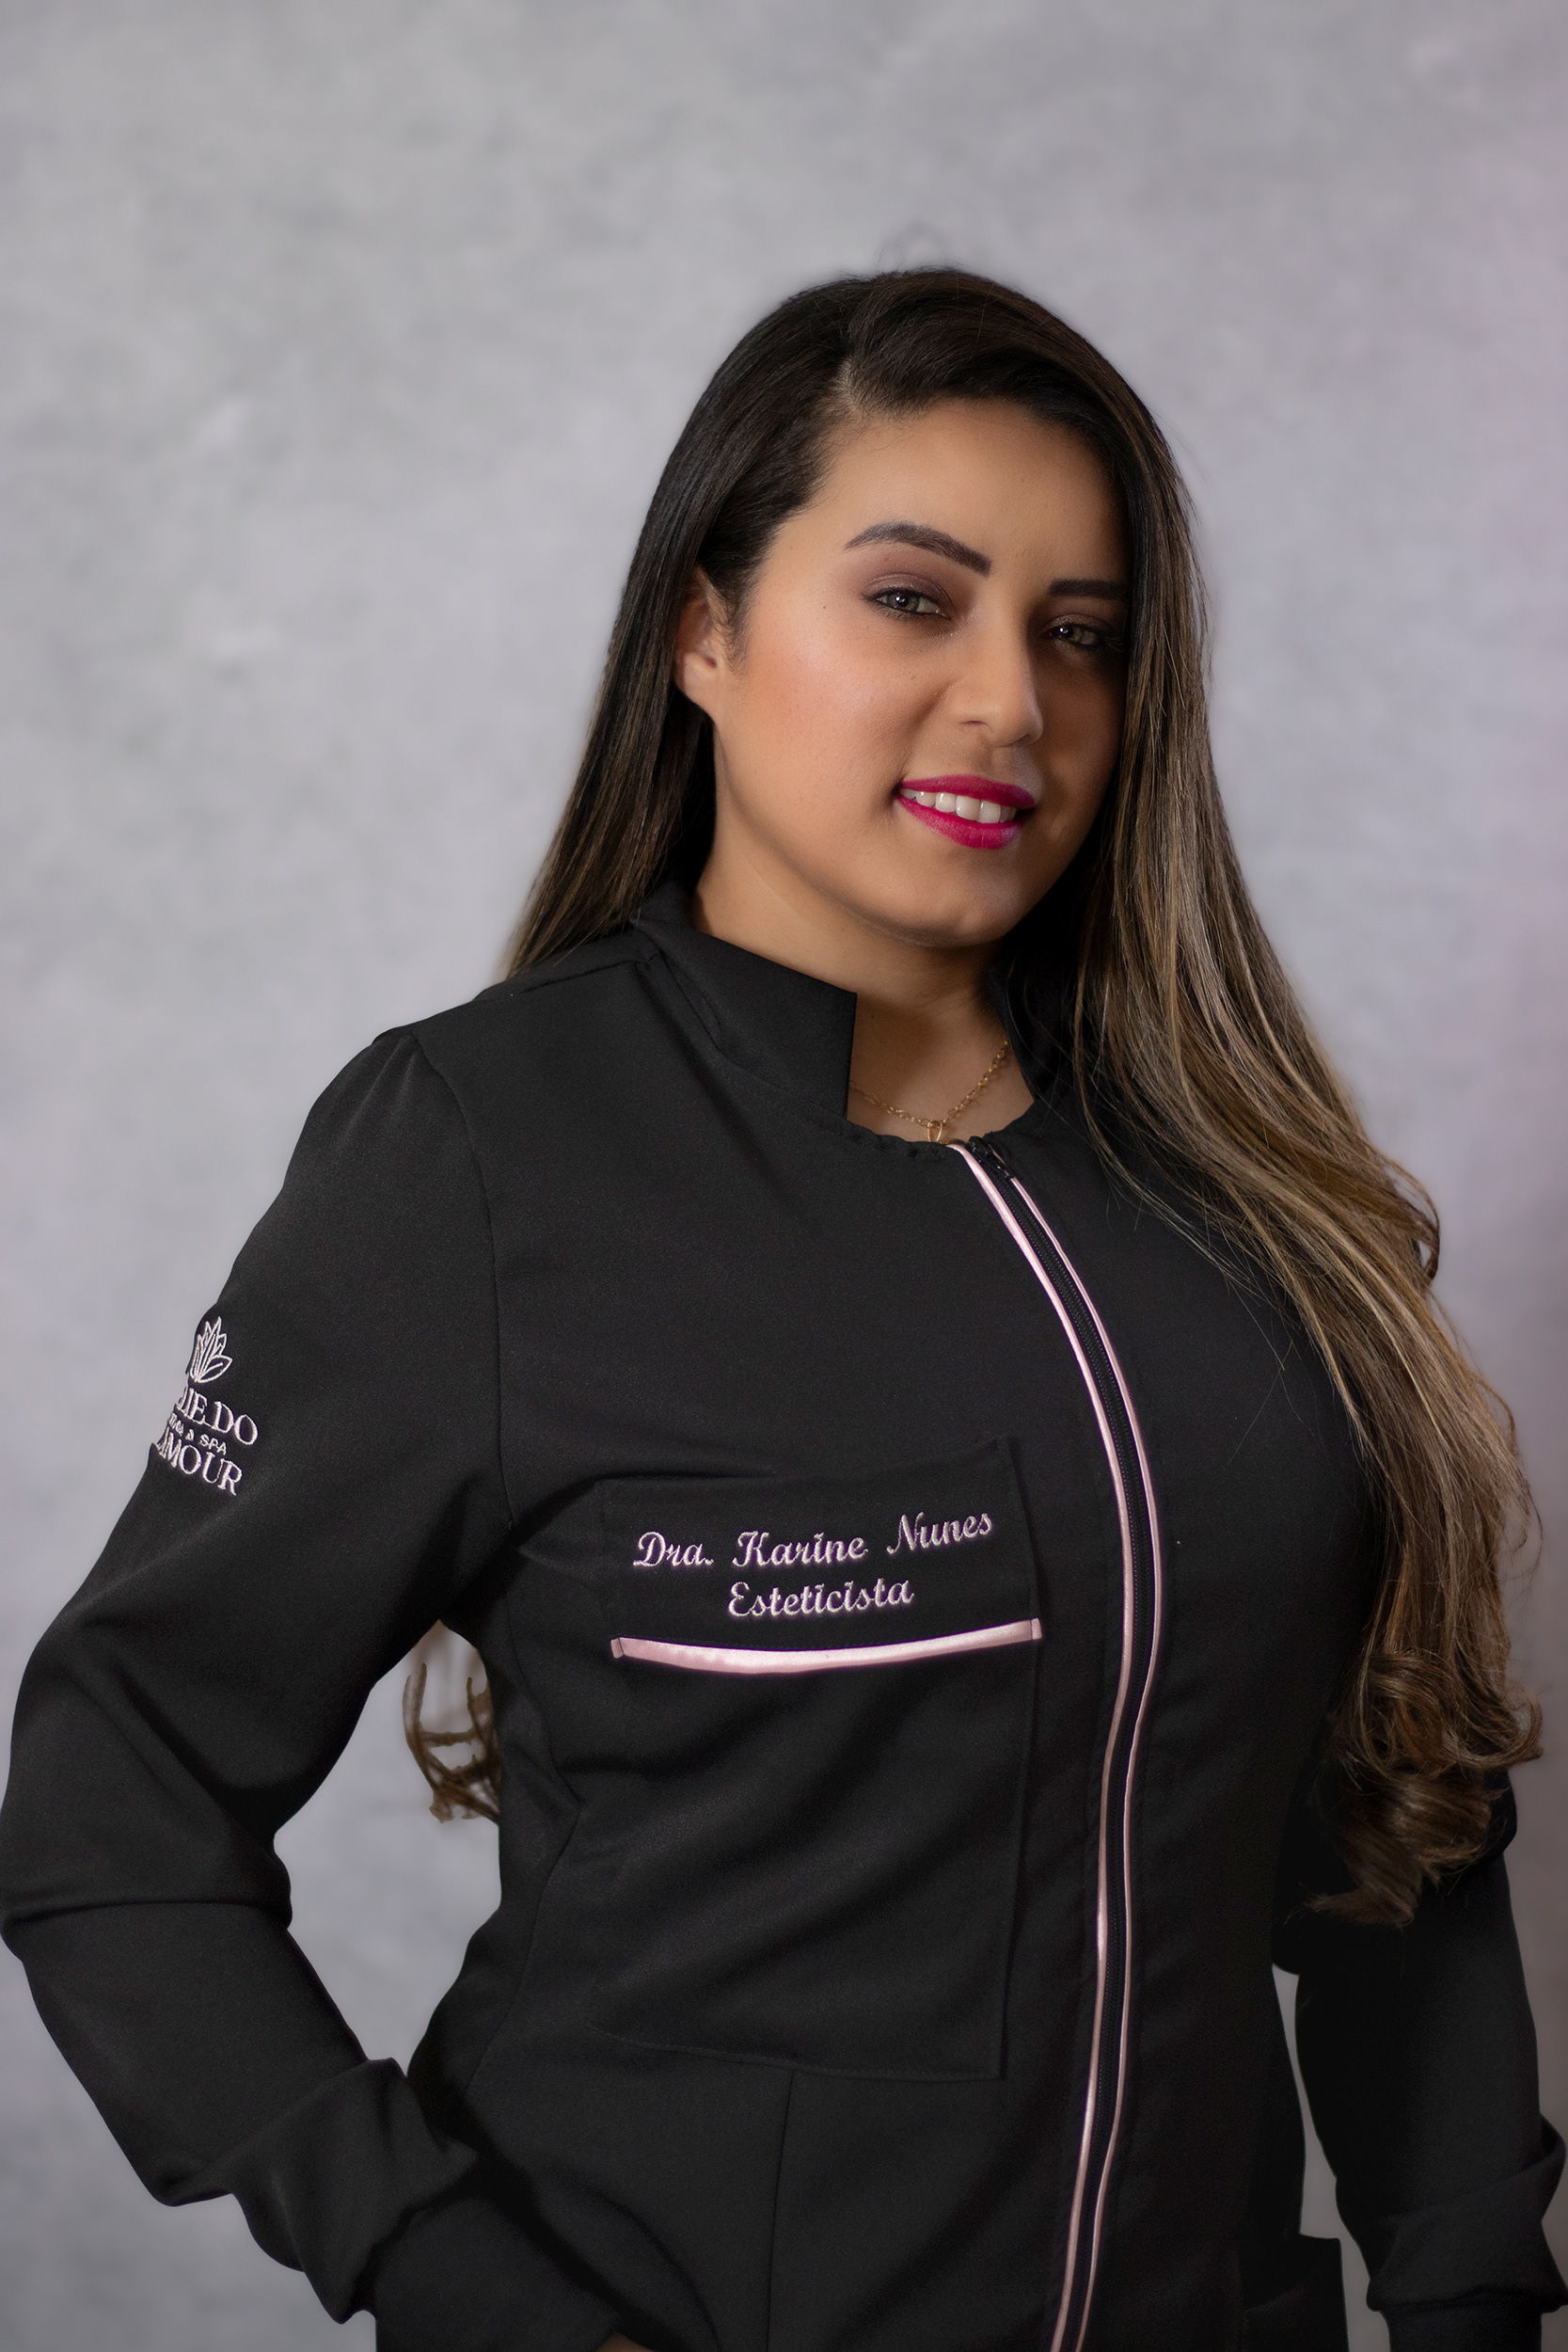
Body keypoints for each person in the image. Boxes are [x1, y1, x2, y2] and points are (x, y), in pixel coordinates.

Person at [0, 270, 1560, 2352]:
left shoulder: (1243, 1185)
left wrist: (1473, 2291)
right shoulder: (481, 1156)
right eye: (914, 600)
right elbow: (107, 1810)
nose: (1012, 703)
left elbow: (1396, 1827)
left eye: (1082, 634)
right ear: (704, 633)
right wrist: (455, 2280)